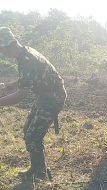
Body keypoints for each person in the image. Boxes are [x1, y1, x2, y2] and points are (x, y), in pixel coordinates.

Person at [0, 27, 67, 180]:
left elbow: (22, 95)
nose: (1, 53)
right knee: (27, 130)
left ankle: (41, 174)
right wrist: (16, 83)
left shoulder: (26, 58)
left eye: (1, 49)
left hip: (53, 97)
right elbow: (31, 75)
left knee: (33, 135)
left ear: (8, 46)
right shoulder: (25, 52)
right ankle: (36, 168)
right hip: (44, 96)